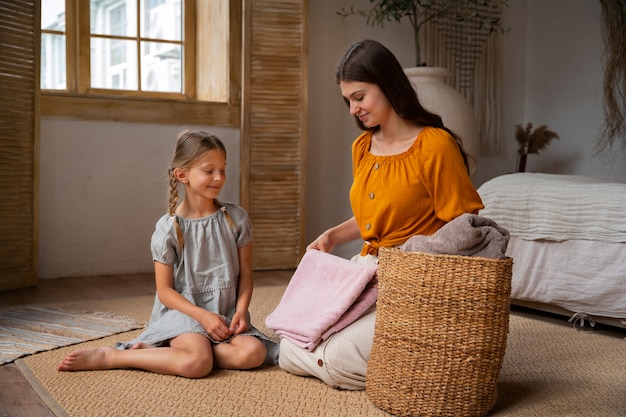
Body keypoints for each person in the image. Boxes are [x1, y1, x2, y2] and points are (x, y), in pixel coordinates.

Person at [277, 39, 485, 390]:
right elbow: (376, 217)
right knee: (288, 346)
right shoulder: (362, 147)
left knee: (336, 355)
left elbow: (464, 228)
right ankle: (383, 365)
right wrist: (331, 236)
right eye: (347, 100)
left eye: (359, 97)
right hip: (364, 274)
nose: (352, 109)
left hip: (410, 281)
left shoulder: (434, 145)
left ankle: (389, 364)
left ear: (388, 85)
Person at [57, 130, 278, 378]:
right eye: (209, 170)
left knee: (253, 354)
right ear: (182, 175)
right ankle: (116, 356)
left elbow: (246, 275)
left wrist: (240, 311)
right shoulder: (168, 229)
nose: (219, 178)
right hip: (184, 316)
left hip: (224, 315)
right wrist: (203, 317)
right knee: (198, 365)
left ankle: (180, 352)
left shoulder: (236, 219)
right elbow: (165, 292)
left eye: (223, 169)